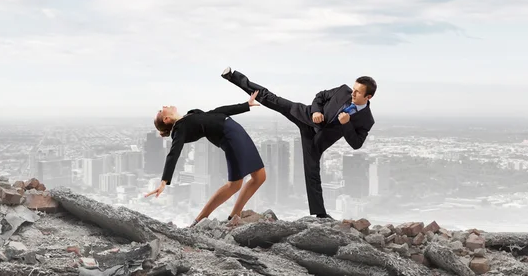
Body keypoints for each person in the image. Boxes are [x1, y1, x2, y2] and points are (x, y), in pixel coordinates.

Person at [221, 67, 376, 219]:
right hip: (305, 115)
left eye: (357, 92)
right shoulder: (343, 90)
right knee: (272, 99)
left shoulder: (367, 120)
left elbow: (356, 143)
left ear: (368, 97)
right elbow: (320, 96)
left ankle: (320, 214)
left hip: (316, 141)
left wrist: (346, 124)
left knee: (312, 173)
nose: (352, 93)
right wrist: (316, 111)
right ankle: (234, 77)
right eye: (353, 88)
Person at [144, 91, 267, 227]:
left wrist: (246, 105)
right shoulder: (180, 129)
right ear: (166, 119)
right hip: (230, 137)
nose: (164, 106)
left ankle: (234, 217)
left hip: (236, 130)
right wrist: (164, 181)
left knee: (259, 176)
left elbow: (217, 112)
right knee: (234, 185)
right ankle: (200, 220)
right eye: (162, 110)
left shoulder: (190, 115)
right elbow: (173, 153)